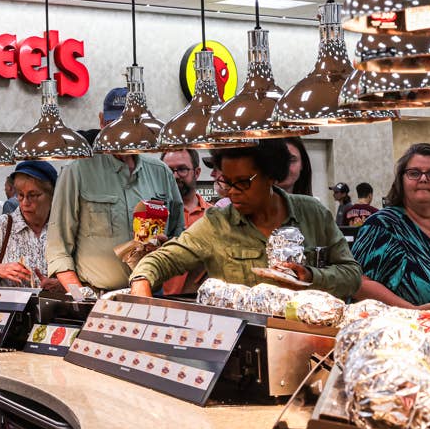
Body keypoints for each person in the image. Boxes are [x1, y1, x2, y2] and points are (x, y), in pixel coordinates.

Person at [129, 139, 361, 299]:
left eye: (242, 182)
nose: (232, 192)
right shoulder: (217, 224)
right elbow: (163, 260)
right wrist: (141, 282)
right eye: (227, 182)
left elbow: (352, 275)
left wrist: (311, 276)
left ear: (271, 175)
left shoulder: (313, 214)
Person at [47, 89, 184, 293]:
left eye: (129, 125)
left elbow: (178, 237)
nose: (122, 134)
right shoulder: (78, 171)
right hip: (96, 297)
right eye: (115, 124)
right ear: (102, 122)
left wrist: (164, 250)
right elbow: (58, 250)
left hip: (150, 294)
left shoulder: (160, 173)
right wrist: (81, 299)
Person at [352, 143, 430, 309]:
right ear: (401, 181)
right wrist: (413, 311)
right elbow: (358, 283)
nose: (423, 179)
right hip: (405, 324)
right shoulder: (382, 225)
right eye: (414, 173)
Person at [0, 161, 62, 289]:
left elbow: (82, 281)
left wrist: (60, 285)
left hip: (53, 303)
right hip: (9, 302)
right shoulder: (3, 226)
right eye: (20, 195)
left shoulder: (63, 227)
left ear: (52, 195)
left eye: (33, 195)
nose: (25, 202)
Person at [160, 148, 210, 295]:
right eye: (168, 170)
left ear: (197, 172)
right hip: (157, 301)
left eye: (182, 169)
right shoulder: (151, 216)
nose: (175, 176)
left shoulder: (213, 217)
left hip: (198, 302)